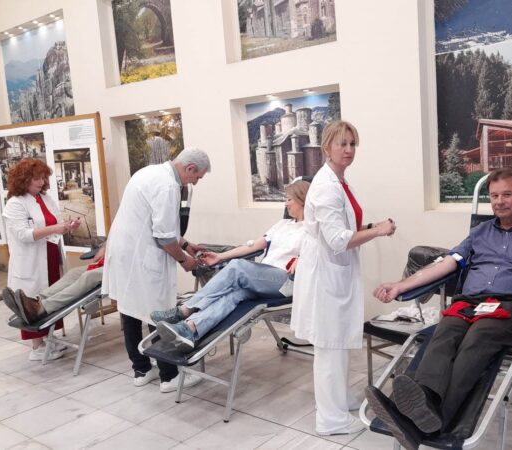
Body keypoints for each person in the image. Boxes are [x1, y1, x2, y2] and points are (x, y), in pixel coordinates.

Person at [365, 168, 512, 450]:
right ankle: (424, 401)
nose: (499, 201)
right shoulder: (479, 233)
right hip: (469, 305)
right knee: (445, 332)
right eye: (494, 196)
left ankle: (438, 418)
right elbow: (447, 263)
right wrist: (401, 285)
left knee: (478, 337)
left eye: (507, 194)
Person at [291, 121, 397, 436]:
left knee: (337, 344)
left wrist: (371, 226)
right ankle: (330, 419)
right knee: (329, 347)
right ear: (327, 147)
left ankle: (340, 400)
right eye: (342, 144)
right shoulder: (326, 186)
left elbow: (341, 229)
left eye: (352, 144)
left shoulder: (339, 181)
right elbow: (337, 240)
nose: (349, 150)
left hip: (333, 271)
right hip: (325, 276)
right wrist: (378, 232)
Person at [152, 180, 310, 352]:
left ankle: (185, 310)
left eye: (289, 199)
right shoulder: (282, 225)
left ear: (302, 200)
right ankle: (191, 329)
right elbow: (253, 246)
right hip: (263, 279)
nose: (286, 204)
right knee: (233, 294)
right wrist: (219, 257)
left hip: (286, 281)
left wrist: (303, 259)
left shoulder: (312, 229)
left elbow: (321, 254)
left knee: (237, 267)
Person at [102, 148, 210, 394]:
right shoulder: (168, 186)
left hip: (126, 252)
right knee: (159, 313)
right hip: (142, 256)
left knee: (130, 310)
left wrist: (186, 244)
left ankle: (141, 370)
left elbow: (159, 225)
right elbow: (163, 237)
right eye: (197, 177)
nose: (195, 182)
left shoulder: (148, 173)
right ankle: (169, 376)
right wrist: (185, 260)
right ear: (190, 168)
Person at [3, 159, 81, 361]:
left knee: (50, 298)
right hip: (31, 261)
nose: (41, 182)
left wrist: (68, 226)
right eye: (37, 178)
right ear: (23, 179)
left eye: (43, 178)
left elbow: (56, 222)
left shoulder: (44, 198)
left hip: (51, 255)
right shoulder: (15, 203)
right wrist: (56, 228)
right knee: (31, 301)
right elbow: (23, 234)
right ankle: (37, 347)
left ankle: (49, 338)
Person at [3, 240, 106, 324]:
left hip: (115, 268)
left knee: (89, 276)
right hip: (107, 263)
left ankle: (42, 308)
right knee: (73, 273)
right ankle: (38, 301)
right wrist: (104, 248)